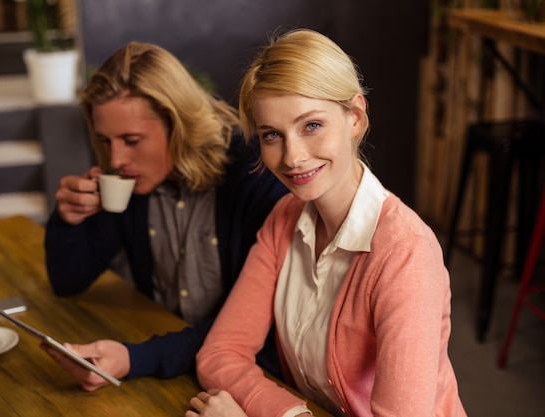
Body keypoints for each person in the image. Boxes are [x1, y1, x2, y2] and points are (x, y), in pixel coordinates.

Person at [187, 28, 467, 417]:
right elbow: (220, 354)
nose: (293, 157)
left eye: (311, 125)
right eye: (272, 135)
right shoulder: (284, 219)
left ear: (354, 115)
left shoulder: (406, 253)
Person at [42, 41, 288, 391]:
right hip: (168, 358)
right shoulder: (128, 178)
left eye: (131, 139)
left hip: (239, 376)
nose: (116, 159)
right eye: (105, 140)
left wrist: (134, 358)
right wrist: (67, 220)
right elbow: (67, 281)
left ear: (178, 124)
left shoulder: (254, 175)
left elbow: (256, 331)